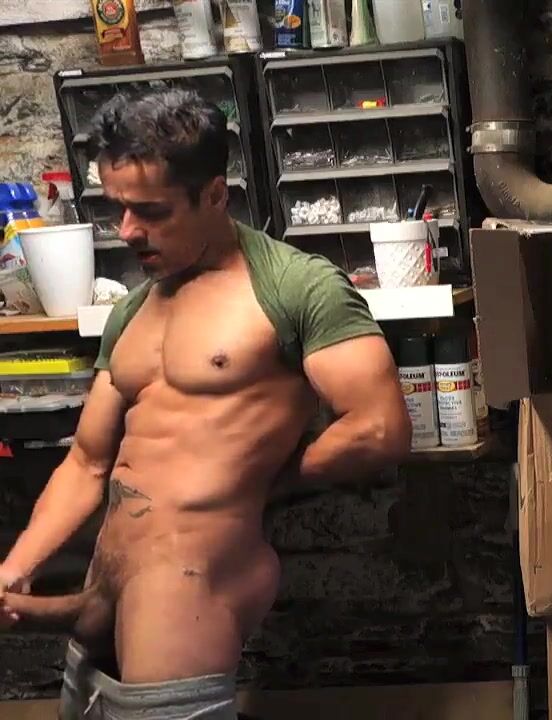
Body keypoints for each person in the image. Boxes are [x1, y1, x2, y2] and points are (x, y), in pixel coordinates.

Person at [0, 89, 411, 718]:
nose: (127, 231)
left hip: (192, 581)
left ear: (215, 195)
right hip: (106, 582)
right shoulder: (135, 309)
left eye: (151, 212)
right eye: (117, 209)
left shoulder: (295, 287)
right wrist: (16, 566)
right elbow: (86, 462)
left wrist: (262, 482)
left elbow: (379, 428)